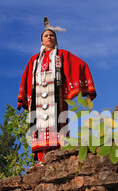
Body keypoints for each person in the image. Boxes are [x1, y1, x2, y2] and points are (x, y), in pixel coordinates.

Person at [17, 17, 97, 163]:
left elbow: (81, 65)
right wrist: (23, 97)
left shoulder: (63, 55)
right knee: (39, 126)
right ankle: (42, 159)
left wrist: (88, 89)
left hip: (57, 98)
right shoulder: (34, 60)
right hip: (39, 99)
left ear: (56, 39)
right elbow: (27, 78)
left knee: (58, 123)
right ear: (41, 41)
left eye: (52, 35)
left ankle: (59, 157)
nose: (49, 37)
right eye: (46, 36)